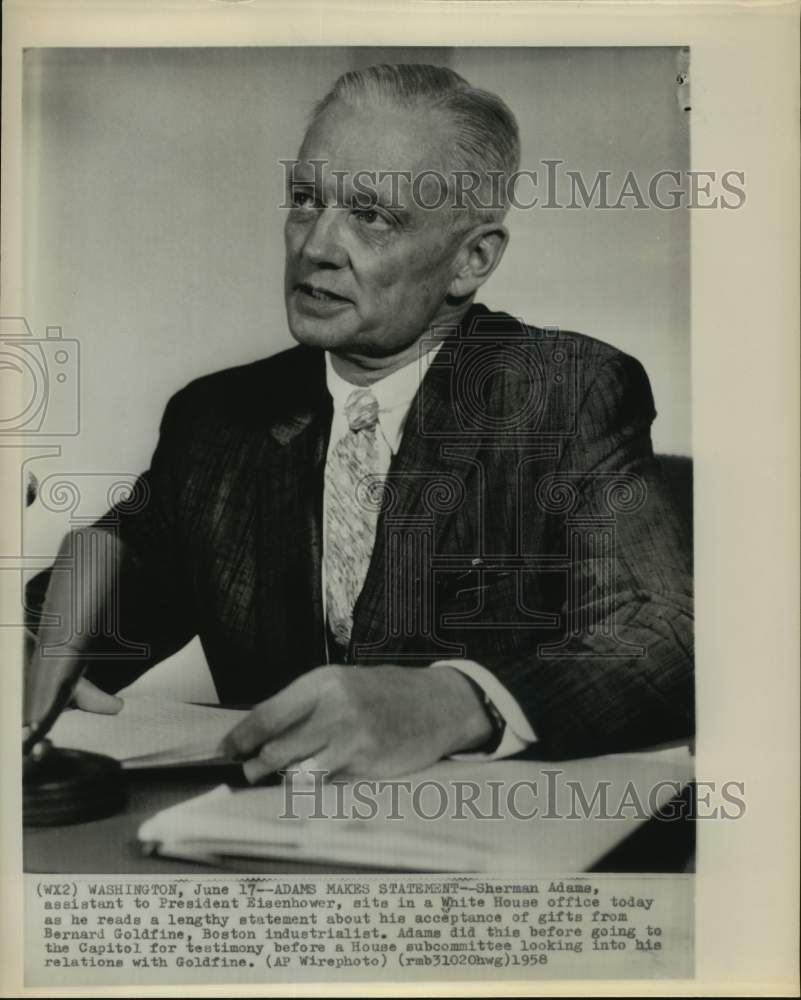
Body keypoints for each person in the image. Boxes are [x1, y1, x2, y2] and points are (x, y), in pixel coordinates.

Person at [25, 64, 694, 782]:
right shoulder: (216, 420)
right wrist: (29, 652)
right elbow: (93, 609)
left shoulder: (566, 393)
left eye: (371, 216)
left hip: (481, 846)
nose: (315, 245)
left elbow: (664, 639)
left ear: (471, 260)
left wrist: (452, 700)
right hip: (260, 837)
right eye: (306, 199)